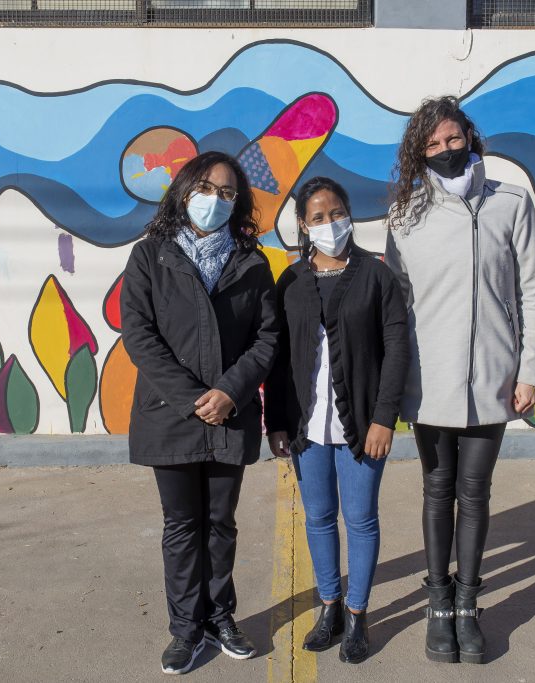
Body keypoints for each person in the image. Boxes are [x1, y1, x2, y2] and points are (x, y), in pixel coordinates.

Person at [384, 96, 535, 665]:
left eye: (453, 139)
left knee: (474, 493)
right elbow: (397, 304)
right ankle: (437, 603)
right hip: (428, 384)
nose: (445, 151)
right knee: (437, 490)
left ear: (470, 138)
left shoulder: (510, 202)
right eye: (431, 145)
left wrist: (531, 370)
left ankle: (468, 606)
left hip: (494, 380)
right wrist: (393, 380)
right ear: (418, 152)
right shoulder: (405, 212)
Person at [120, 151, 278, 675]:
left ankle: (220, 618)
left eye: (228, 193)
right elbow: (140, 335)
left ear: (239, 204)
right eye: (207, 188)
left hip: (229, 414)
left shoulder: (252, 263)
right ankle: (185, 630)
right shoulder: (151, 256)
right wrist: (193, 397)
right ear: (185, 190)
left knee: (220, 523)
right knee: (182, 526)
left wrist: (231, 391)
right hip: (171, 414)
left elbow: (267, 338)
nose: (216, 200)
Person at [265, 177, 409, 664]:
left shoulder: (376, 275)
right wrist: (277, 422)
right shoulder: (291, 282)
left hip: (362, 428)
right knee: (320, 519)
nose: (331, 224)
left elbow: (396, 351)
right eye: (319, 217)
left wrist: (384, 418)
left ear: (350, 214)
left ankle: (358, 613)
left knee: (361, 520)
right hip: (308, 429)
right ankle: (328, 607)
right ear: (304, 225)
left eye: (337, 213)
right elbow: (279, 358)